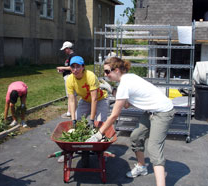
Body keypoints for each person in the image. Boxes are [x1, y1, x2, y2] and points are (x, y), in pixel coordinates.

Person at [86, 57, 175, 186]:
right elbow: (126, 104)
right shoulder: (128, 78)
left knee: (154, 149)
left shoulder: (125, 84)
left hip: (163, 112)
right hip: (151, 111)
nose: (106, 75)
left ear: (116, 70)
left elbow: (114, 115)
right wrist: (111, 90)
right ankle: (141, 166)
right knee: (136, 136)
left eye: (107, 72)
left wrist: (99, 134)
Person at [57, 56, 109, 163]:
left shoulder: (90, 76)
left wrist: (92, 119)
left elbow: (94, 99)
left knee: (100, 124)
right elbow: (71, 100)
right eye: (73, 67)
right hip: (85, 100)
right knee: (78, 122)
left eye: (78, 66)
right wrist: (73, 119)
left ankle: (102, 150)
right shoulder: (70, 80)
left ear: (83, 67)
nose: (75, 70)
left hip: (100, 99)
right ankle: (70, 150)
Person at [57, 41, 77, 118]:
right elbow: (68, 67)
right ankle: (70, 111)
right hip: (67, 76)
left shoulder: (73, 56)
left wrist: (62, 68)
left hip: (70, 77)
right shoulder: (70, 56)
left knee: (71, 95)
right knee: (70, 95)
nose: (64, 51)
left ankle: (71, 112)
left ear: (68, 48)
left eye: (65, 49)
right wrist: (63, 70)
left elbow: (72, 67)